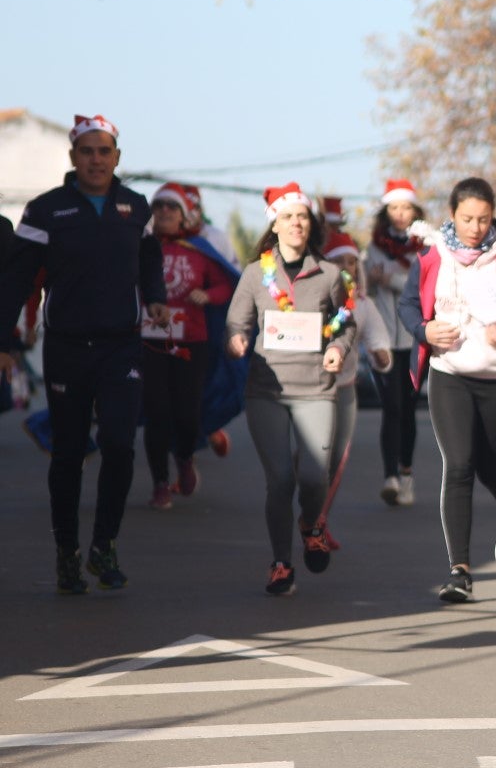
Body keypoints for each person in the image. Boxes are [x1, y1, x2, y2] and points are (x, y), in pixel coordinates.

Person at [0, 114, 167, 594]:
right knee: (68, 454)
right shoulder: (45, 211)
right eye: (87, 151)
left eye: (105, 151)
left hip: (122, 346)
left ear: (117, 157)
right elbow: (15, 278)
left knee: (118, 445)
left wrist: (154, 295)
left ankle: (104, 546)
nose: (96, 159)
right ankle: (67, 553)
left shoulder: (136, 208)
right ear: (73, 157)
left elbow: (149, 257)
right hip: (68, 347)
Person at [398, 176, 496, 603]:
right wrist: (425, 330)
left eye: (483, 219)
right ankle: (460, 571)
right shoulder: (431, 256)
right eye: (466, 219)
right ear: (452, 215)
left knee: (489, 468)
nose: (475, 227)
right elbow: (407, 306)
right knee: (458, 465)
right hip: (450, 372)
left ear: (493, 216)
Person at [225, 182, 356, 596]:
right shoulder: (255, 275)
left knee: (315, 478)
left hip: (316, 389)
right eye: (288, 217)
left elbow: (346, 320)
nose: (296, 223)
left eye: (302, 216)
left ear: (310, 224)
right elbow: (235, 322)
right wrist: (237, 340)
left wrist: (337, 346)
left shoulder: (331, 274)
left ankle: (312, 524)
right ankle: (281, 562)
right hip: (267, 391)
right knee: (280, 479)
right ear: (275, 225)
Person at [141, 182, 235, 510]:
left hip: (192, 342)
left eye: (172, 207)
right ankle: (160, 484)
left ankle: (183, 458)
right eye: (159, 206)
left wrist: (208, 296)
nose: (164, 211)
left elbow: (226, 283)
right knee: (156, 413)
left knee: (186, 415)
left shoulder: (197, 249)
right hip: (150, 342)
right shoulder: (142, 247)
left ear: (184, 216)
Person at [365, 179, 427, 506]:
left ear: (415, 210)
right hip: (383, 340)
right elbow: (363, 286)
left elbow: (424, 287)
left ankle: (406, 473)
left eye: (405, 207)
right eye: (393, 208)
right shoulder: (374, 246)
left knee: (407, 410)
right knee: (391, 408)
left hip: (415, 339)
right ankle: (389, 475)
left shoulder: (426, 245)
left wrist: (390, 279)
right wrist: (373, 282)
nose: (400, 214)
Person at [323, 230, 392, 520]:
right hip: (309, 389)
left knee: (337, 458)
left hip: (345, 387)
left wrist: (381, 354)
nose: (347, 268)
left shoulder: (363, 304)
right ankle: (308, 510)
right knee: (313, 458)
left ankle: (318, 521)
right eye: (339, 262)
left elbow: (378, 339)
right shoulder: (309, 299)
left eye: (352, 262)